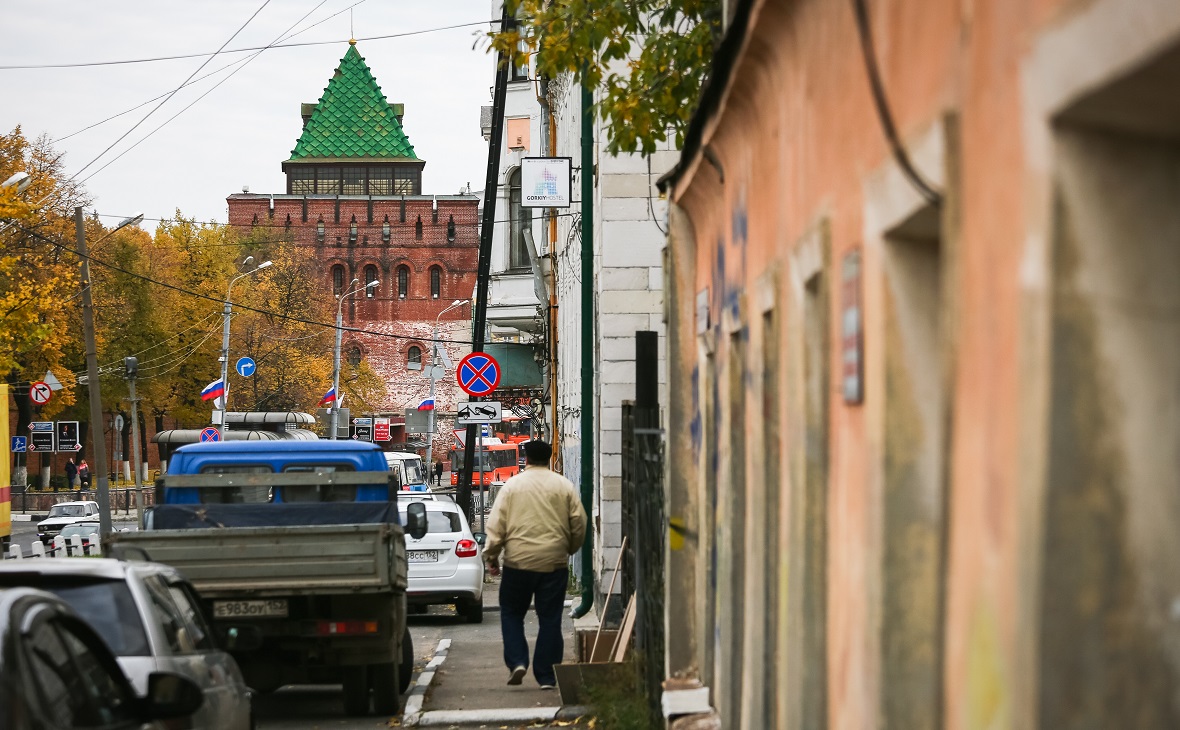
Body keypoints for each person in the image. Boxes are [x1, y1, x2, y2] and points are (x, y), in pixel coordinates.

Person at [483, 439, 586, 689]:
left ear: (526, 459)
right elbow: (578, 522)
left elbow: (497, 526)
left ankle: (518, 661)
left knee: (511, 613)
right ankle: (548, 676)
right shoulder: (563, 486)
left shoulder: (512, 486)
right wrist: (568, 549)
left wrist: (491, 557)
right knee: (550, 618)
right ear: (550, 458)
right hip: (554, 562)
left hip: (518, 562)